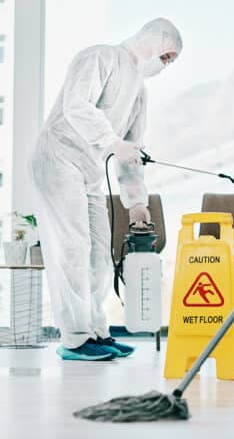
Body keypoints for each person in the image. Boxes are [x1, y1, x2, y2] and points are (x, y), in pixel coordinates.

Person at [30, 18, 182, 361]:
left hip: (88, 170)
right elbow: (77, 106)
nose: (166, 64)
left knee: (99, 251)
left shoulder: (140, 91)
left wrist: (137, 203)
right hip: (58, 158)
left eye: (171, 61)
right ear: (154, 39)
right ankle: (74, 339)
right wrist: (111, 141)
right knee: (73, 247)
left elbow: (131, 149)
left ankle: (97, 332)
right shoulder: (100, 57)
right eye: (167, 55)